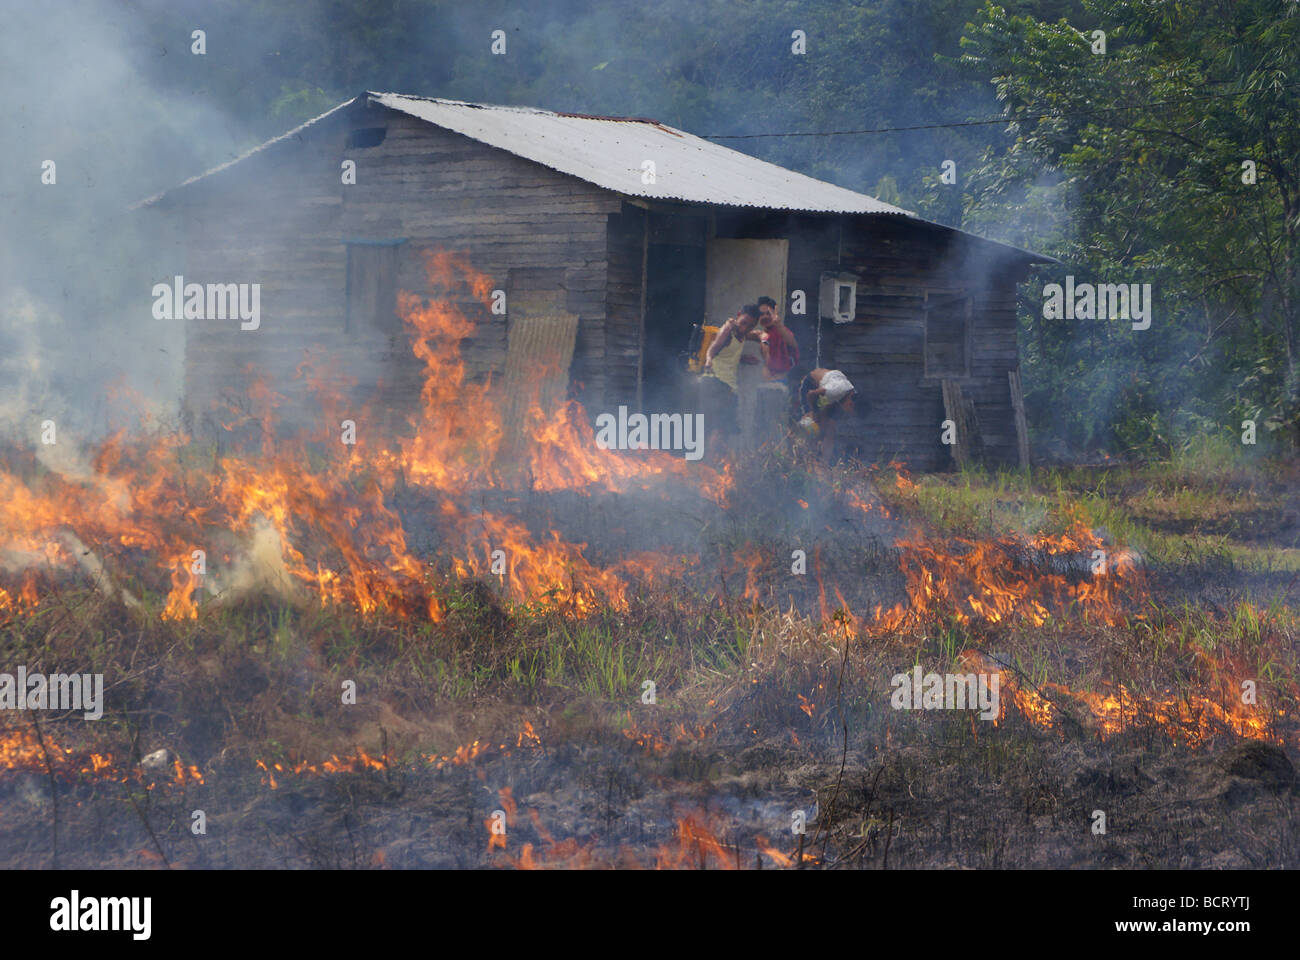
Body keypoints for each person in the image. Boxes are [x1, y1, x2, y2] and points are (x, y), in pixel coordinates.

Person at [799, 367, 858, 464]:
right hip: (811, 386)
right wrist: (814, 411)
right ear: (850, 404)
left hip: (826, 394)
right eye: (850, 412)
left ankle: (823, 463)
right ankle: (804, 457)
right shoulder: (835, 392)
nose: (848, 415)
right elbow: (811, 394)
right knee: (811, 423)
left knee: (831, 428)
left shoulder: (851, 394)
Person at [757, 296, 799, 381]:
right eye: (761, 314)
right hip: (768, 384)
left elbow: (792, 343)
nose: (765, 317)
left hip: (784, 382)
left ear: (775, 313)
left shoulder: (781, 332)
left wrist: (778, 325)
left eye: (768, 313)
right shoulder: (761, 335)